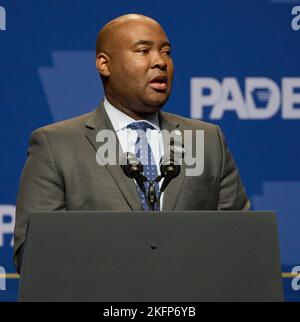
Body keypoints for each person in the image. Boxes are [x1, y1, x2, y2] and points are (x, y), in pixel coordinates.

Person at [13, 14, 250, 273]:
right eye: (143, 51)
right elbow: (34, 254)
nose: (160, 62)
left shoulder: (207, 140)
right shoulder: (56, 145)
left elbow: (243, 244)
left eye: (166, 52)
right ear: (104, 64)